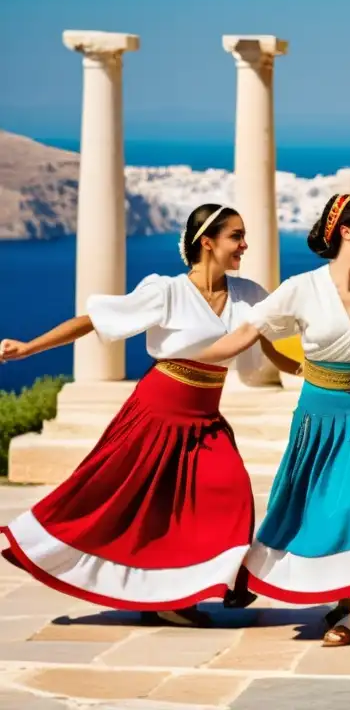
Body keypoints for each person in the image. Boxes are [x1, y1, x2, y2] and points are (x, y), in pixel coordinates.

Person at [0, 204, 300, 626]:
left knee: (230, 492)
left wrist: (304, 369)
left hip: (204, 416)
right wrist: (29, 349)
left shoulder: (249, 294)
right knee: (116, 498)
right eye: (236, 236)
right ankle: (169, 600)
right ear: (207, 242)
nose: (245, 245)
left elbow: (271, 345)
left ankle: (211, 584)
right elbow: (93, 321)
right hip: (157, 409)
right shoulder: (167, 291)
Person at [191, 193, 350, 647]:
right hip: (320, 416)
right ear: (346, 231)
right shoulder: (302, 288)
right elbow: (248, 332)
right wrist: (186, 358)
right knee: (322, 509)